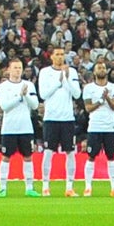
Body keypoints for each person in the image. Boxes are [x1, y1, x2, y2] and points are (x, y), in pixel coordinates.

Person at [36, 46, 81, 197]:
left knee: (70, 152)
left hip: (67, 118)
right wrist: (58, 81)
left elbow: (77, 94)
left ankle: (69, 187)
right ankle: (45, 186)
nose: (60, 57)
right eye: (57, 54)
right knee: (48, 151)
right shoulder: (45, 72)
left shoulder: (72, 72)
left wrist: (67, 78)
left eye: (62, 54)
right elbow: (43, 94)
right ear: (52, 56)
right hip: (51, 118)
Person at [0, 58, 39, 197]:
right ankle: (2, 188)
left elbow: (35, 105)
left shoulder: (29, 85)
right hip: (9, 128)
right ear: (8, 69)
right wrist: (19, 96)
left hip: (26, 127)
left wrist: (26, 96)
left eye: (20, 67)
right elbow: (4, 106)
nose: (18, 70)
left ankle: (29, 188)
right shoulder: (3, 87)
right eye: (15, 67)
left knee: (28, 157)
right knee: (6, 157)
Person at [81, 60, 114, 196]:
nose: (102, 70)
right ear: (94, 71)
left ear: (107, 71)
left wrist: (107, 98)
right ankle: (88, 187)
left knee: (111, 157)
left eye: (103, 68)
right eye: (99, 68)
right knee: (91, 156)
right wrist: (100, 101)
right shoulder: (88, 88)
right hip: (94, 127)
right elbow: (88, 108)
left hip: (110, 128)